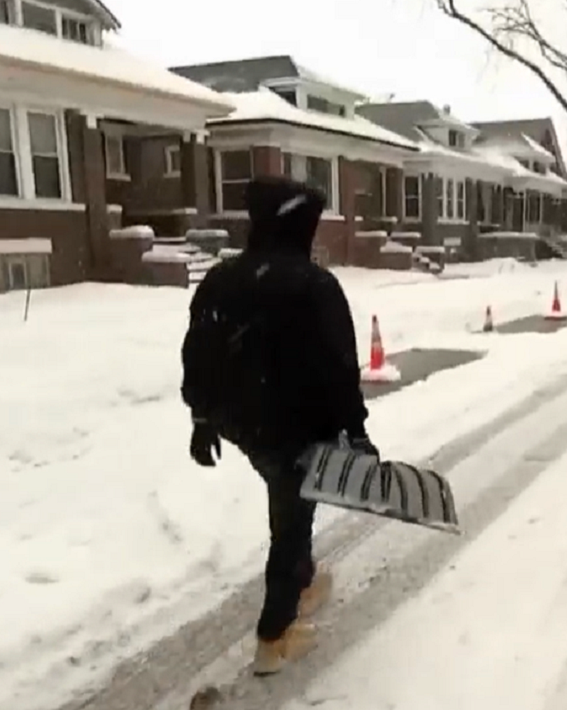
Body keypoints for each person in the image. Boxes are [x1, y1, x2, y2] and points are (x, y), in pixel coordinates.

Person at [179, 175, 378, 675]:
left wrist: (202, 419)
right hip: (293, 427)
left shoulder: (221, 279)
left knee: (290, 498)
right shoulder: (315, 287)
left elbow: (198, 352)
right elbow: (339, 369)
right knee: (290, 522)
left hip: (240, 422)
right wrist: (355, 433)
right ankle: (274, 637)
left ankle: (304, 582)